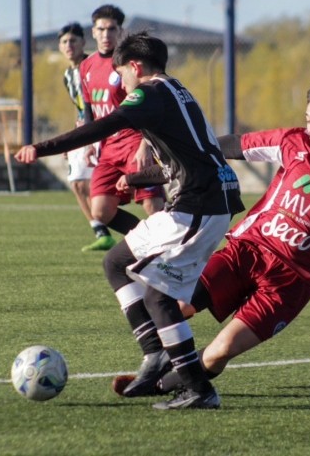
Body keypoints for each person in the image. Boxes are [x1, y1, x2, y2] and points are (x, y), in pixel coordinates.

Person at [113, 82, 310, 398]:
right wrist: (144, 175)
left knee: (220, 352)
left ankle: (164, 384)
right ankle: (155, 366)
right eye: (308, 118)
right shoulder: (292, 142)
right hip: (246, 252)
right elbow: (221, 148)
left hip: (293, 281)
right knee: (177, 306)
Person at [15, 31, 244, 410]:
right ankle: (156, 355)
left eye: (121, 74)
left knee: (157, 295)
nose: (121, 82)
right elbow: (187, 158)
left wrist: (41, 147)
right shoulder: (178, 91)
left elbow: (102, 127)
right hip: (205, 201)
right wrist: (138, 178)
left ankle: (198, 389)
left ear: (135, 66)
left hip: (198, 206)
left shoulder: (150, 93)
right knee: (119, 264)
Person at [77, 4, 165, 251]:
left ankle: (174, 247)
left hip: (133, 141)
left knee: (152, 206)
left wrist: (144, 145)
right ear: (93, 32)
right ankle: (150, 243)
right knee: (101, 211)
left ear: (121, 31)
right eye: (101, 29)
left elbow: (148, 105)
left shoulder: (131, 64)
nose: (106, 34)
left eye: (111, 29)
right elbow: (89, 108)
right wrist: (90, 143)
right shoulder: (86, 67)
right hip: (108, 147)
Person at [57, 22, 115, 251]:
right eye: (64, 42)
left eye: (73, 40)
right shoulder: (68, 75)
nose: (69, 45)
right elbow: (80, 107)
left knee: (112, 186)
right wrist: (72, 137)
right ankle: (101, 232)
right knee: (78, 184)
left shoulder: (93, 67)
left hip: (103, 130)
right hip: (84, 132)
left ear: (83, 42)